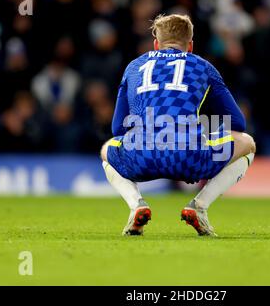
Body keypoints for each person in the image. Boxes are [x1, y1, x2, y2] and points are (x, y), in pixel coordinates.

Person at [100, 14, 256, 236]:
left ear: (156, 43)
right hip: (188, 157)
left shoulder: (134, 67)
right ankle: (199, 207)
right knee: (247, 143)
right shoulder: (204, 67)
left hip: (141, 157)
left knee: (108, 148)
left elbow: (117, 128)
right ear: (190, 46)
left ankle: (137, 206)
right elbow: (238, 122)